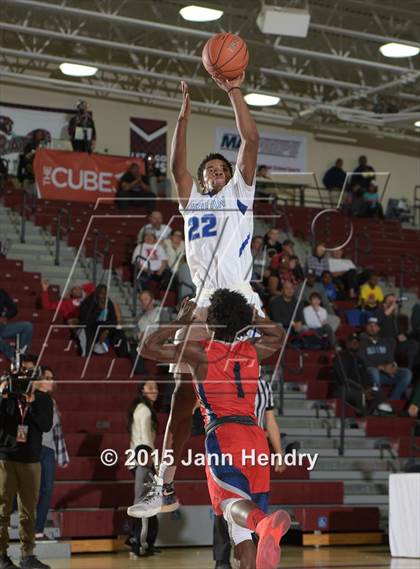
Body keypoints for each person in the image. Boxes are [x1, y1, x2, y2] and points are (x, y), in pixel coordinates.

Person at [127, 72, 264, 527]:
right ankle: (164, 484)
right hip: (203, 303)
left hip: (239, 303)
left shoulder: (241, 194)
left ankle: (249, 484)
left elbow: (251, 137)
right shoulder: (193, 203)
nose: (215, 174)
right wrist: (184, 112)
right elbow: (176, 165)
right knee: (182, 397)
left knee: (242, 403)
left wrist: (232, 91)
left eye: (221, 170)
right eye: (211, 171)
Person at [129, 293, 290, 569]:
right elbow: (279, 336)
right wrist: (258, 318)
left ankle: (263, 523)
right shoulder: (253, 351)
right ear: (241, 322)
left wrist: (181, 320)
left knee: (230, 506)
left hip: (225, 436)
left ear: (212, 323)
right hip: (256, 438)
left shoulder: (199, 351)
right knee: (239, 532)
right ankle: (259, 525)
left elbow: (147, 347)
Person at [213, 377, 286, 569]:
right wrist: (278, 453)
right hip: (255, 445)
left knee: (229, 503)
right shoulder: (254, 383)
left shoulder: (228, 379)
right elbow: (271, 422)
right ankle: (232, 557)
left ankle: (231, 559)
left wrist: (280, 453)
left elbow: (270, 421)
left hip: (235, 444)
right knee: (245, 506)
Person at [0, 364, 53, 569]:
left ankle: (27, 555)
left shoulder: (43, 398)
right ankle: (2, 555)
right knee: (3, 509)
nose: (24, 379)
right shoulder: (8, 396)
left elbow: (45, 425)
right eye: (20, 375)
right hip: (6, 457)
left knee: (28, 511)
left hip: (31, 459)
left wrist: (30, 404)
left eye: (29, 375)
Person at [34, 367, 69, 541]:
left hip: (48, 449)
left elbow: (56, 431)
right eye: (47, 378)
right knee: (29, 489)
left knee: (47, 490)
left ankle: (38, 529)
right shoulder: (30, 398)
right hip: (32, 448)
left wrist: (62, 455)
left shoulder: (52, 402)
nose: (51, 381)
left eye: (52, 378)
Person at [126, 381, 159, 557]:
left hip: (137, 459)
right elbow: (146, 440)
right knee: (145, 503)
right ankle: (140, 543)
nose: (155, 391)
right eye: (150, 388)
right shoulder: (144, 410)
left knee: (145, 501)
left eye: (156, 388)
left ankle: (137, 540)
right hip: (143, 460)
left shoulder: (140, 409)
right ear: (142, 391)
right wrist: (151, 461)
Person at [333, 334, 392, 415]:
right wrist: (362, 390)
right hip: (344, 389)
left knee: (378, 391)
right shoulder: (341, 358)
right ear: (347, 344)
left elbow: (365, 378)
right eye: (352, 341)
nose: (355, 343)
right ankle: (364, 417)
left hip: (361, 389)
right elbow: (343, 379)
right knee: (360, 395)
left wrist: (369, 388)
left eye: (357, 342)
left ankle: (383, 413)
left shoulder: (360, 360)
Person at [358, 317, 412, 400]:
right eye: (370, 325)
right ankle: (379, 400)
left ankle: (393, 399)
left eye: (375, 325)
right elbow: (363, 361)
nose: (372, 328)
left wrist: (392, 366)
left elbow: (390, 359)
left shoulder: (386, 342)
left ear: (379, 328)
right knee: (373, 371)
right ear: (366, 327)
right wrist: (382, 367)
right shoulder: (361, 343)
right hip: (369, 375)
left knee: (406, 373)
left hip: (386, 374)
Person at [78, 285, 128, 357]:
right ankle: (86, 357)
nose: (104, 296)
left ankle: (124, 357)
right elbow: (86, 320)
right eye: (102, 293)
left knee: (120, 333)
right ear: (96, 293)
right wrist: (98, 310)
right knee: (87, 332)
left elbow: (113, 320)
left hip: (104, 328)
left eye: (105, 294)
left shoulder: (108, 302)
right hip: (91, 327)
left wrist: (107, 330)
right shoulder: (87, 302)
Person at [375, 294, 419, 370]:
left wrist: (401, 336)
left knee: (414, 344)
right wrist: (392, 306)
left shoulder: (394, 317)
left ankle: (409, 371)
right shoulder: (379, 313)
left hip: (396, 343)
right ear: (384, 304)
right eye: (390, 301)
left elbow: (397, 333)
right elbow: (380, 320)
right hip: (385, 343)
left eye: (394, 301)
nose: (393, 303)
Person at [0, 289, 33, 362]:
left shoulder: (2, 293)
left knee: (27, 326)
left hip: (1, 327)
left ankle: (22, 354)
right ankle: (13, 356)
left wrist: (5, 317)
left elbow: (13, 309)